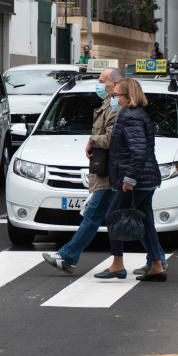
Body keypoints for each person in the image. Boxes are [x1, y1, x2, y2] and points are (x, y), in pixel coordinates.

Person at [42, 68, 121, 273]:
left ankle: (67, 255)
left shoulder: (114, 108)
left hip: (109, 173)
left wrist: (92, 141)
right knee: (122, 217)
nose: (99, 84)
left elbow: (112, 139)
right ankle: (155, 258)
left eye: (102, 81)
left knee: (96, 216)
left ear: (114, 84)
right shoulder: (107, 105)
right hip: (106, 172)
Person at [94, 78, 166, 282]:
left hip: (136, 180)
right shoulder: (137, 114)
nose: (113, 98)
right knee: (146, 222)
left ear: (128, 97)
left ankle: (117, 265)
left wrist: (130, 179)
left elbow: (138, 151)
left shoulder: (131, 117)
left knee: (113, 216)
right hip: (145, 178)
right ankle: (156, 264)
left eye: (116, 95)